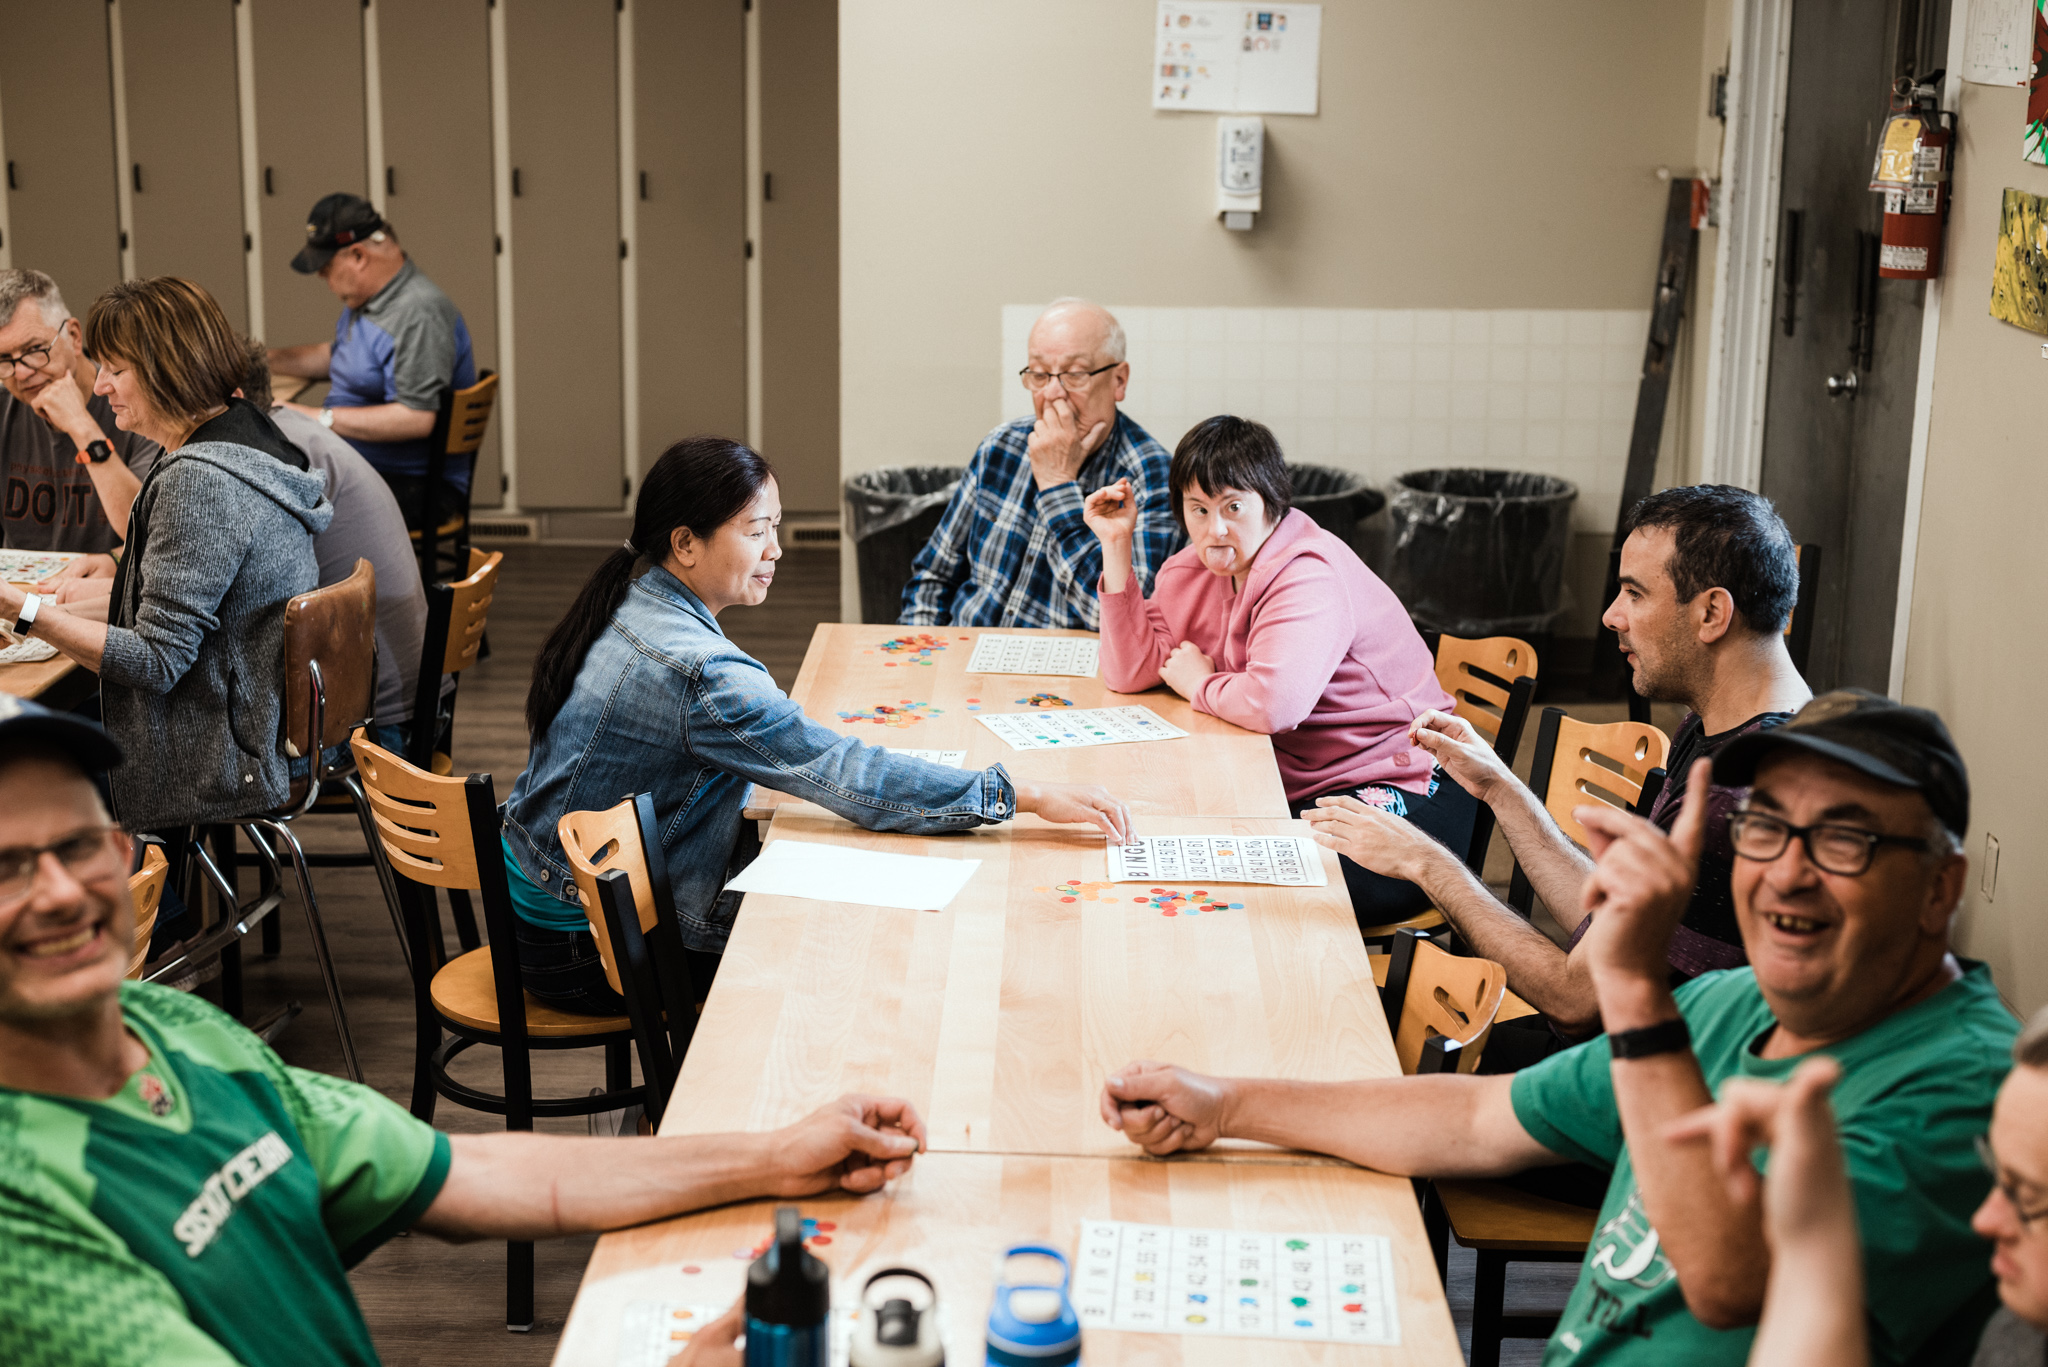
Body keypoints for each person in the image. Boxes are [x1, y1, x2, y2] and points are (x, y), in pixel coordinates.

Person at [0, 696, 931, 1367]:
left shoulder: (171, 1026)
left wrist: (776, 1155)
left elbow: (468, 1171)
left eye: (81, 843)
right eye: (6, 866)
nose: (59, 891)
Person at [1101, 690, 2016, 1366]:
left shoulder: (1967, 1090)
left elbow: (1733, 1282)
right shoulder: (1730, 1004)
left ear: (1941, 887)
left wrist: (1630, 989)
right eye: (1767, 829)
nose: (1787, 873)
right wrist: (1227, 1102)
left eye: (1845, 840)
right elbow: (1473, 1121)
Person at [501, 436, 1134, 1014]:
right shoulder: (701, 671)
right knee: (836, 955)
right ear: (685, 542)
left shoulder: (631, 600)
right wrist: (1020, 794)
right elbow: (846, 773)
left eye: (774, 526)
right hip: (583, 945)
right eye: (755, 531)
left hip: (545, 894)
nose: (776, 548)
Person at [1304, 484, 1812, 1052]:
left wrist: (1426, 862)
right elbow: (1613, 916)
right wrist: (1501, 789)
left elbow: (1577, 1004)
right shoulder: (1724, 725)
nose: (1610, 615)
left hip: (1636, 1089)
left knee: (1335, 1031)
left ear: (1712, 612)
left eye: (1634, 594)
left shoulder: (1738, 795)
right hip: (1622, 1051)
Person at [1085, 414, 1463, 927]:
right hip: (1303, 782)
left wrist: (1199, 683)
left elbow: (1274, 704)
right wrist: (1116, 545)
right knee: (1166, 843)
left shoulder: (1308, 574)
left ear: (1272, 503)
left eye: (1233, 507)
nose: (1214, 529)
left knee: (1248, 889)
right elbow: (1132, 670)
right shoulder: (1192, 570)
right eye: (1197, 509)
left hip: (1405, 781)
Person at [0, 278, 331, 833]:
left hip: (218, 752)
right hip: (255, 719)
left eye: (115, 369)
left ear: (166, 369)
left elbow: (155, 664)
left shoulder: (197, 482)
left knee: (21, 749)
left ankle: (159, 914)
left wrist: (22, 610)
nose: (100, 385)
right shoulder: (243, 436)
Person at [1675, 1005, 2048, 1367]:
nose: (1985, 1220)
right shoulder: (2019, 1336)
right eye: (1996, 1175)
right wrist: (1814, 1223)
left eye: (2026, 1197)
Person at [899, 298, 1179, 629]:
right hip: (966, 654)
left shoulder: (1155, 477)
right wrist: (922, 660)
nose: (1052, 394)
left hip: (1068, 676)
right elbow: (934, 576)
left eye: (1075, 374)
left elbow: (1125, 627)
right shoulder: (1000, 447)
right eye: (1040, 374)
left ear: (1119, 380)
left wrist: (1058, 484)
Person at [266, 193, 477, 530]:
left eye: (325, 267)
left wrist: (310, 416)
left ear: (358, 256)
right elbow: (341, 358)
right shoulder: (369, 303)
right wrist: (267, 359)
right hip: (365, 465)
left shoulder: (416, 313)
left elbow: (416, 417)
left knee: (271, 504)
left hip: (413, 484)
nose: (322, 277)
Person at [0, 269, 160, 556]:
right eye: (4, 360)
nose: (21, 372)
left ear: (73, 336)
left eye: (35, 349)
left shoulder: (136, 402)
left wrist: (81, 426)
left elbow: (151, 532)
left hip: (103, 590)